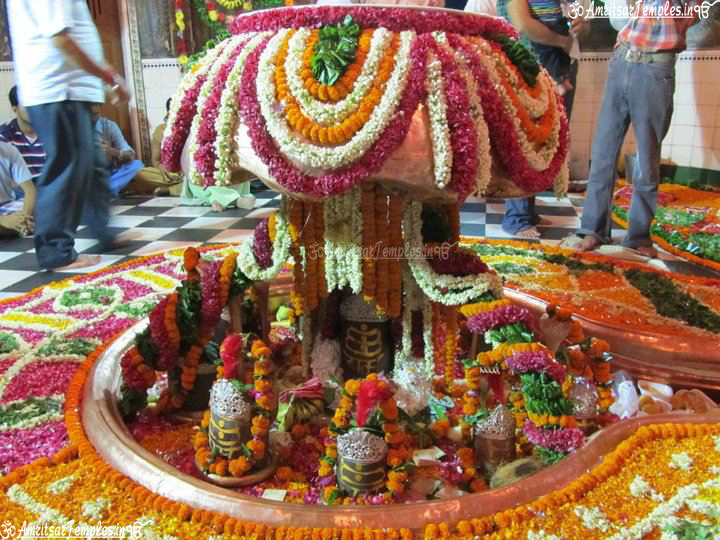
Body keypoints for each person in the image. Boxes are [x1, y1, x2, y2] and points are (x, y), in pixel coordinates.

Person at [562, 0, 699, 258]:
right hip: (622, 60)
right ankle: (593, 230)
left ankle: (638, 236)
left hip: (656, 66)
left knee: (647, 159)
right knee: (603, 152)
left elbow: (693, 14)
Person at [7, 0, 130, 271]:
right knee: (66, 168)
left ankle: (103, 233)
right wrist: (109, 77)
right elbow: (61, 39)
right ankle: (55, 252)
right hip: (57, 91)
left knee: (91, 166)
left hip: (69, 91)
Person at [488, 0, 587, 239]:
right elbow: (523, 24)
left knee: (545, 145)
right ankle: (517, 217)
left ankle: (527, 212)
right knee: (528, 144)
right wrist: (563, 41)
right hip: (529, 69)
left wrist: (580, 25)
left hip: (558, 66)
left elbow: (583, 23)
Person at [127, 98, 184, 195]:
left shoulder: (192, 128)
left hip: (186, 174)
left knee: (200, 179)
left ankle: (170, 190)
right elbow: (155, 160)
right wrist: (164, 170)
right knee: (141, 174)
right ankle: (181, 188)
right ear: (168, 113)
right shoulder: (161, 130)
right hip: (168, 174)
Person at [91, 104, 144, 196]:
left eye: (96, 113)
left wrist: (111, 151)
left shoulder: (109, 125)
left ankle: (104, 191)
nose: (93, 118)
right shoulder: (74, 129)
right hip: (84, 176)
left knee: (137, 165)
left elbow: (131, 155)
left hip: (107, 174)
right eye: (89, 115)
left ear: (100, 110)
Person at [0, 86, 46, 182]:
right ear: (15, 109)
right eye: (27, 105)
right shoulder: (4, 136)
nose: (34, 109)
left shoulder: (51, 132)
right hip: (21, 190)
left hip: (50, 189)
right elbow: (5, 181)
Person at [0, 141, 36, 238]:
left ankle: (20, 226)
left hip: (5, 206)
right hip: (3, 216)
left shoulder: (9, 150)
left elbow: (30, 190)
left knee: (44, 207)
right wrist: (3, 220)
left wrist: (24, 217)